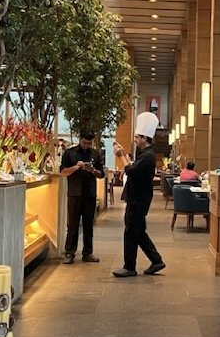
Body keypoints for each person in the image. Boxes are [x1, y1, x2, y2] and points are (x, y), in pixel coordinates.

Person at [112, 112, 166, 277]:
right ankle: (156, 260)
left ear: (144, 138)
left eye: (137, 137)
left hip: (138, 199)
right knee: (138, 231)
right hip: (139, 198)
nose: (135, 139)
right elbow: (133, 169)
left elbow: (131, 171)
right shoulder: (145, 155)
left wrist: (121, 156)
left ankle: (129, 267)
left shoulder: (148, 156)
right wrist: (126, 159)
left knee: (131, 231)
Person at [59, 131, 105, 264]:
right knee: (72, 224)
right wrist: (76, 167)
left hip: (90, 194)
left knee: (88, 225)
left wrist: (94, 171)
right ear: (80, 139)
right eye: (84, 142)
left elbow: (101, 174)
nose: (86, 145)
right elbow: (62, 172)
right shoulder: (70, 153)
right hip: (74, 193)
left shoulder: (95, 154)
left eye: (89, 143)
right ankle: (69, 252)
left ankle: (88, 253)